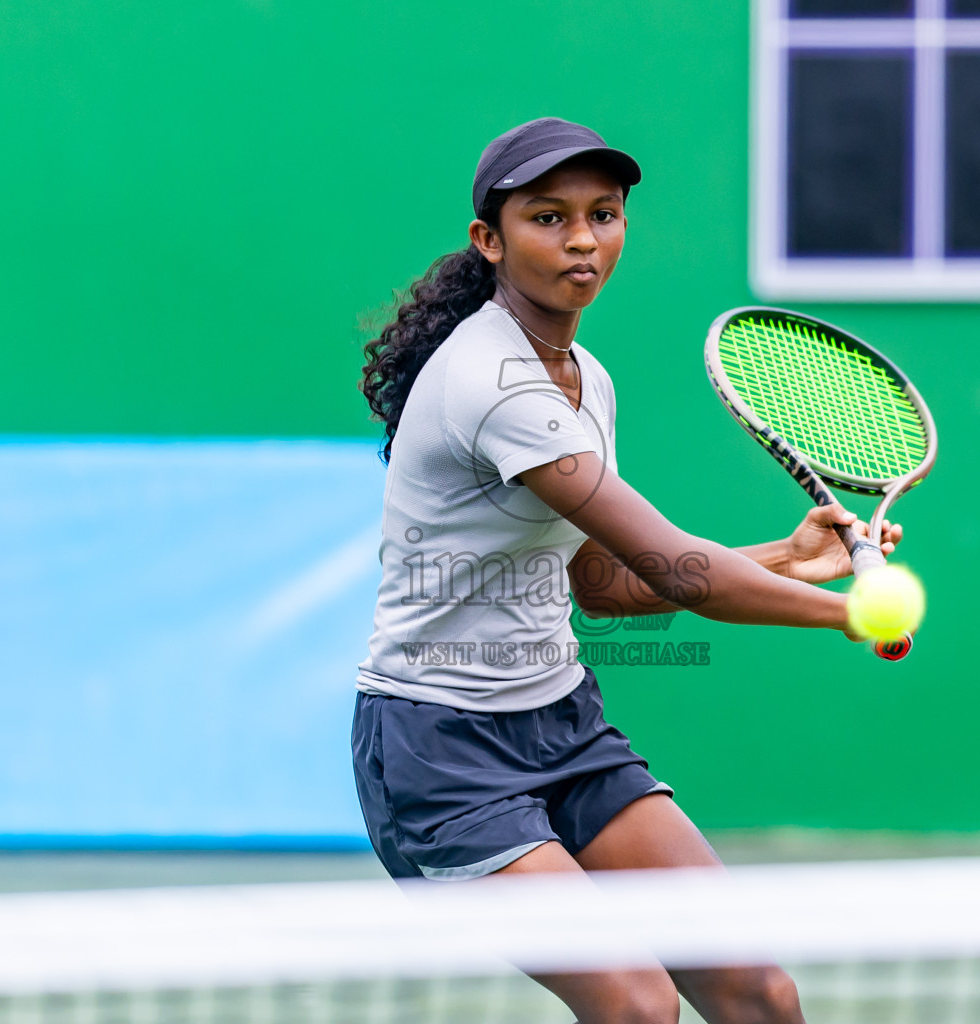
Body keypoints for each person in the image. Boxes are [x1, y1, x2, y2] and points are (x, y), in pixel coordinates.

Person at [354, 117, 901, 1024]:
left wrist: (791, 561)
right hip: (438, 750)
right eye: (548, 217)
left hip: (561, 725)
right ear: (489, 241)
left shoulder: (585, 379)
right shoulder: (497, 387)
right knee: (637, 1005)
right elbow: (682, 576)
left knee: (757, 991)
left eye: (603, 214)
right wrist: (851, 613)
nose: (582, 240)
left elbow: (607, 585)